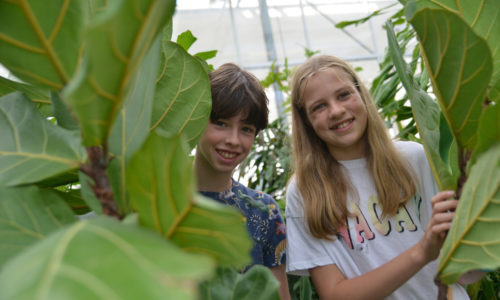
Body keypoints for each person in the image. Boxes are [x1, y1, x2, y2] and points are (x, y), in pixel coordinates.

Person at [285, 55, 481, 299]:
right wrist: (421, 252)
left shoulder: (414, 158)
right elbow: (334, 295)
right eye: (319, 106)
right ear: (306, 120)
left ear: (361, 95)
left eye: (344, 95)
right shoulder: (305, 191)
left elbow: (466, 274)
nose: (336, 111)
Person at [195, 63, 291, 300]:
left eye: (246, 129)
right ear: (195, 119)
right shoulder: (158, 201)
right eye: (221, 123)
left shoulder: (263, 211)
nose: (233, 140)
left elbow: (278, 294)